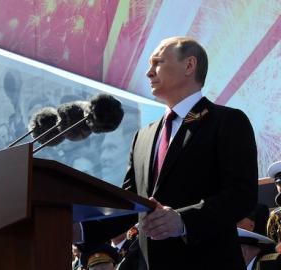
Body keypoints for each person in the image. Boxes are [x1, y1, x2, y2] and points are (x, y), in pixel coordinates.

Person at [81, 37, 258, 269]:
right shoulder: (143, 136)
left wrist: (183, 221)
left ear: (189, 65)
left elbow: (242, 195)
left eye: (157, 62)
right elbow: (130, 204)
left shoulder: (227, 121)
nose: (148, 73)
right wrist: (79, 229)